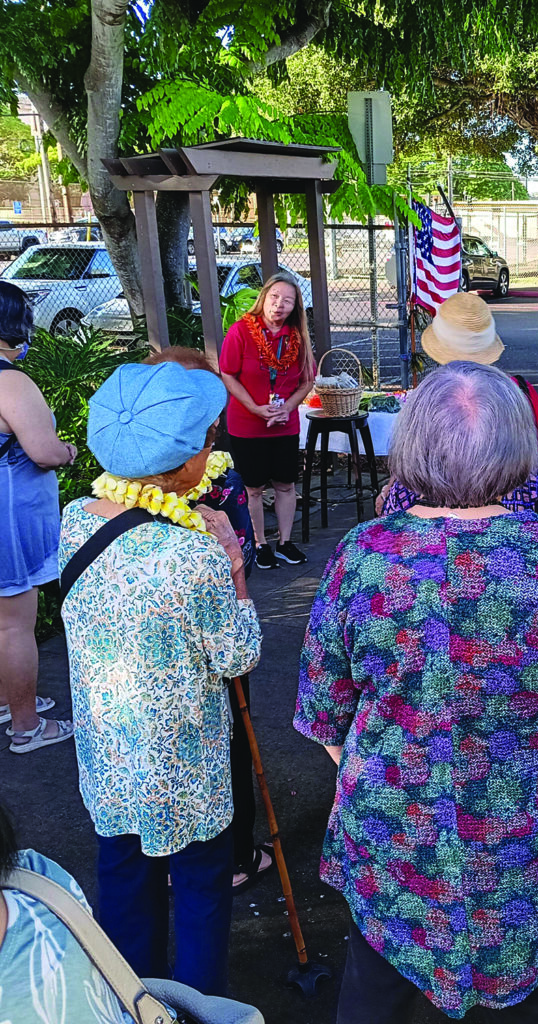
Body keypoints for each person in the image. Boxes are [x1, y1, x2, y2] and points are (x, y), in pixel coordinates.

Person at [295, 362, 538, 1023]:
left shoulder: (363, 554)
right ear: (517, 447)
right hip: (530, 849)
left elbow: (326, 716)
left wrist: (386, 776)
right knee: (534, 1003)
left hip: (392, 843)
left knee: (374, 993)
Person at [59, 361, 262, 995]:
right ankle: (196, 1007)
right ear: (181, 466)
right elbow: (237, 655)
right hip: (187, 763)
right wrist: (233, 570)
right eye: (207, 440)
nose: (214, 449)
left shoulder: (75, 521)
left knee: (122, 881)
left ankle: (131, 1001)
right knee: (201, 889)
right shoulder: (193, 549)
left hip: (110, 753)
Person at [143, 346, 272, 891]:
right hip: (174, 644)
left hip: (199, 638)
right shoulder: (144, 485)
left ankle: (235, 852)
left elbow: (238, 549)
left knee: (230, 741)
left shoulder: (220, 482)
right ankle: (212, 856)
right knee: (199, 742)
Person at [379, 292, 538, 521]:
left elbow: (406, 471)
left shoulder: (423, 401)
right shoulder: (519, 392)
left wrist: (390, 489)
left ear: (438, 346)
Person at [0, 280, 76, 754]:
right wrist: (67, 450)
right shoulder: (10, 380)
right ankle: (26, 725)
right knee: (13, 622)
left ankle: (7, 701)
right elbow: (44, 452)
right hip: (9, 514)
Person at [0, 800, 147, 1022]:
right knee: (201, 881)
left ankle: (136, 987)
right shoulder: (38, 874)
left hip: (115, 788)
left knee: (122, 861)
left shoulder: (36, 873)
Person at [219, 271, 316, 570]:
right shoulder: (240, 332)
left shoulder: (297, 338)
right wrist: (254, 408)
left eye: (287, 300)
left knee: (286, 485)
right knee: (253, 489)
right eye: (274, 297)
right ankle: (260, 543)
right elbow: (228, 374)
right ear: (263, 299)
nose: (279, 305)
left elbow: (306, 381)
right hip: (247, 424)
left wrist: (288, 407)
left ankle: (285, 542)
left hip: (284, 424)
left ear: (295, 306)